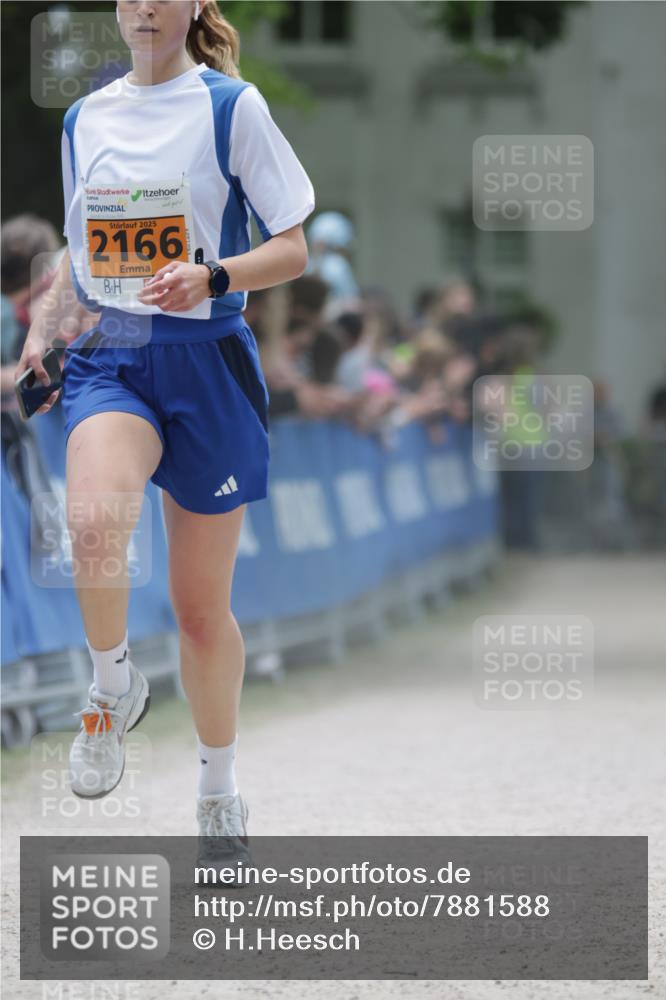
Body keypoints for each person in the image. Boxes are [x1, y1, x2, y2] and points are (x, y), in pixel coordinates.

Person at [14, 0, 314, 859]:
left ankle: (218, 787)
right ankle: (109, 688)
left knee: (199, 612)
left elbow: (292, 247)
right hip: (114, 353)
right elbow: (79, 246)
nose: (146, 5)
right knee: (93, 519)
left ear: (192, 7)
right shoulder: (85, 117)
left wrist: (213, 274)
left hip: (208, 361)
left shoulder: (231, 106)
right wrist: (43, 325)